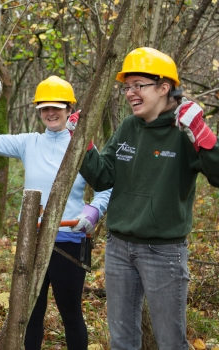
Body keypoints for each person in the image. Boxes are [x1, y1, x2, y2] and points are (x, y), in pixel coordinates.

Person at [78, 47, 219, 349]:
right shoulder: (129, 126)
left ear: (164, 87)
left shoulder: (184, 130)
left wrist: (202, 135)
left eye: (138, 85)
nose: (130, 93)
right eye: (126, 87)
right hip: (118, 248)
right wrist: (83, 145)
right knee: (122, 341)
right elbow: (103, 176)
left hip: (163, 252)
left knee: (170, 342)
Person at [0, 77, 111, 349]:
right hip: (32, 240)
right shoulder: (29, 142)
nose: (51, 113)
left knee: (71, 315)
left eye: (57, 107)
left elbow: (106, 186)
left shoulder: (81, 145)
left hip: (69, 241)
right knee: (31, 315)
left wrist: (93, 213)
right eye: (45, 107)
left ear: (69, 108)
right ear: (38, 110)